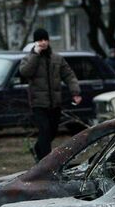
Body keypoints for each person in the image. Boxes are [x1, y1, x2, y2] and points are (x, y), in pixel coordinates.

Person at [19, 28, 82, 161]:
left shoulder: (57, 58)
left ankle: (37, 149)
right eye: (40, 40)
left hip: (55, 103)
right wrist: (35, 55)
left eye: (45, 39)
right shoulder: (29, 58)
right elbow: (25, 72)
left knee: (52, 132)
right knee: (45, 131)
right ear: (35, 42)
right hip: (38, 103)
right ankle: (46, 163)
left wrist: (75, 92)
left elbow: (69, 76)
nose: (43, 42)